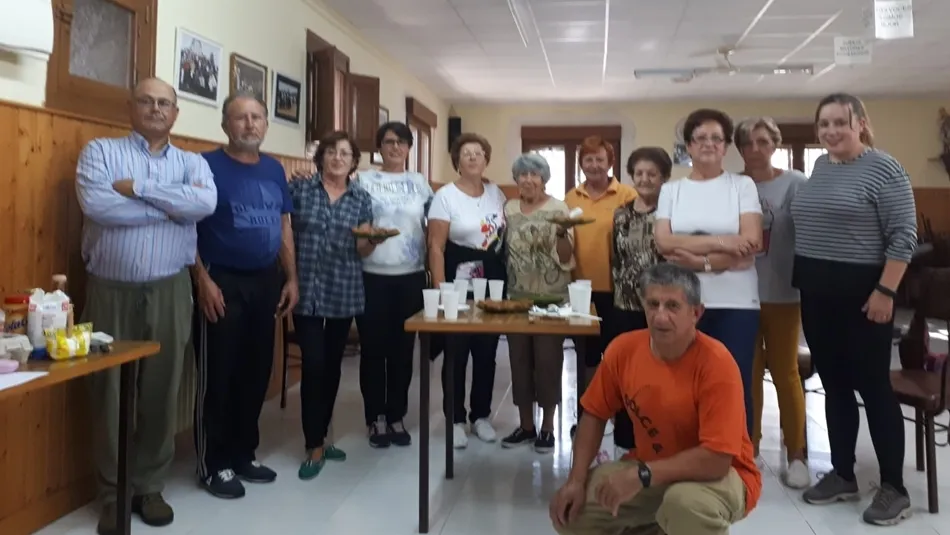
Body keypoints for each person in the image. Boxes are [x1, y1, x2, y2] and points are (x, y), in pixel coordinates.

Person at [75, 77, 217, 534]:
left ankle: (150, 486)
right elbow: (99, 207)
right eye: (147, 101)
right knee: (109, 393)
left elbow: (205, 204)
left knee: (163, 385)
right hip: (109, 290)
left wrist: (136, 188)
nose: (156, 109)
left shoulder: (193, 161)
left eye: (165, 103)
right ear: (130, 106)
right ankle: (113, 494)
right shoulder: (99, 152)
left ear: (176, 113)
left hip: (171, 288)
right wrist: (172, 207)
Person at [549, 263, 761, 535]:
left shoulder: (717, 363)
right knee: (572, 511)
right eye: (653, 304)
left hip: (723, 476)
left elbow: (717, 460)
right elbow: (594, 414)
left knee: (684, 505)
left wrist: (642, 475)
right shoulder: (623, 350)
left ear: (696, 313)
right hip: (652, 469)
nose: (660, 317)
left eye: (672, 306)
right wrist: (575, 481)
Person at [791, 93, 917, 525]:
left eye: (839, 123)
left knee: (873, 388)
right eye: (823, 124)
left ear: (860, 123)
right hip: (817, 293)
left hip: (864, 295)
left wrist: (885, 291)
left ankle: (894, 489)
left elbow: (904, 237)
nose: (830, 131)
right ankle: (844, 474)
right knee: (835, 386)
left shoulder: (885, 168)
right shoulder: (822, 167)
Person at [191, 93, 299, 499]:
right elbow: (187, 226)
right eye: (240, 118)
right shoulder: (204, 165)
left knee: (256, 372)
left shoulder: (274, 169)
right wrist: (201, 278)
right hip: (221, 280)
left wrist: (292, 278)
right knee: (218, 374)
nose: (249, 124)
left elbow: (283, 226)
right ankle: (212, 463)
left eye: (257, 117)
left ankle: (242, 453)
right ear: (225, 125)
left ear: (266, 125)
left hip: (266, 280)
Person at [654, 108, 762, 439]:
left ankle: (736, 459)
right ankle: (688, 454)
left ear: (727, 146)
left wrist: (697, 261)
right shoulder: (672, 190)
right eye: (700, 138)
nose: (709, 144)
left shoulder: (742, 185)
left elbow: (751, 244)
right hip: (682, 303)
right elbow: (663, 242)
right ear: (688, 146)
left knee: (732, 380)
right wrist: (725, 243)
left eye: (717, 138)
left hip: (736, 303)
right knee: (683, 381)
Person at [290, 130, 376, 480]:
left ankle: (322, 437)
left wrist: (371, 241)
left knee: (333, 367)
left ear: (354, 162)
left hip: (343, 289)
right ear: (321, 157)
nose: (337, 158)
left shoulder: (361, 199)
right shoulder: (298, 190)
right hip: (305, 288)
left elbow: (363, 249)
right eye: (331, 152)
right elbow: (284, 233)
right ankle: (313, 444)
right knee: (314, 364)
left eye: (345, 153)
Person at [734, 117, 809, 488]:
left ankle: (797, 454)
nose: (756, 149)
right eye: (748, 143)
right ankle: (749, 449)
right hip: (741, 294)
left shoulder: (795, 183)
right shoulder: (732, 185)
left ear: (774, 144)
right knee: (746, 376)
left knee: (786, 373)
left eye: (763, 142)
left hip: (783, 293)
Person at [354, 122, 433, 448]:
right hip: (371, 274)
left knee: (403, 351)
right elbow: (355, 222)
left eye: (401, 142)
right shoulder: (363, 179)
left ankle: (396, 415)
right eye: (389, 141)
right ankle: (375, 419)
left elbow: (432, 226)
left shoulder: (420, 183)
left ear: (409, 147)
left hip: (411, 275)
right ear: (379, 146)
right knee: (373, 350)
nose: (395, 147)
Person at [427, 132, 507, 448]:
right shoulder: (445, 196)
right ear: (457, 161)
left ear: (486, 159)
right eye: (466, 153)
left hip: (492, 278)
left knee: (487, 350)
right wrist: (440, 288)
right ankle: (456, 419)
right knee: (457, 351)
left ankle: (481, 416)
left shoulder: (496, 193)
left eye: (479, 153)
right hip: (457, 276)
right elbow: (435, 246)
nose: (473, 157)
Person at [564, 135, 637, 437]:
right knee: (588, 356)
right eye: (588, 160)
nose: (594, 165)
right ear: (581, 164)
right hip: (581, 288)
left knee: (617, 356)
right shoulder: (571, 197)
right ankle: (589, 416)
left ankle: (621, 417)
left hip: (619, 289)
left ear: (610, 163)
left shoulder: (626, 195)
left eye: (600, 160)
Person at [501, 152, 574, 453]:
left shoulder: (560, 208)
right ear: (516, 179)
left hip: (552, 298)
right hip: (516, 297)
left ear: (544, 179)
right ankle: (525, 425)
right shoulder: (508, 208)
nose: (529, 180)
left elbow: (568, 255)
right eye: (523, 175)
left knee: (547, 361)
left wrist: (560, 233)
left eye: (535, 174)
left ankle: (547, 427)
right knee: (518, 362)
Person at [609, 146, 672, 456]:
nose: (645, 179)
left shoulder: (672, 213)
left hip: (661, 309)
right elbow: (616, 260)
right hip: (625, 306)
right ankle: (626, 442)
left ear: (664, 178)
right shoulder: (621, 213)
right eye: (639, 173)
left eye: (652, 174)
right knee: (628, 374)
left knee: (660, 375)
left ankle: (661, 442)